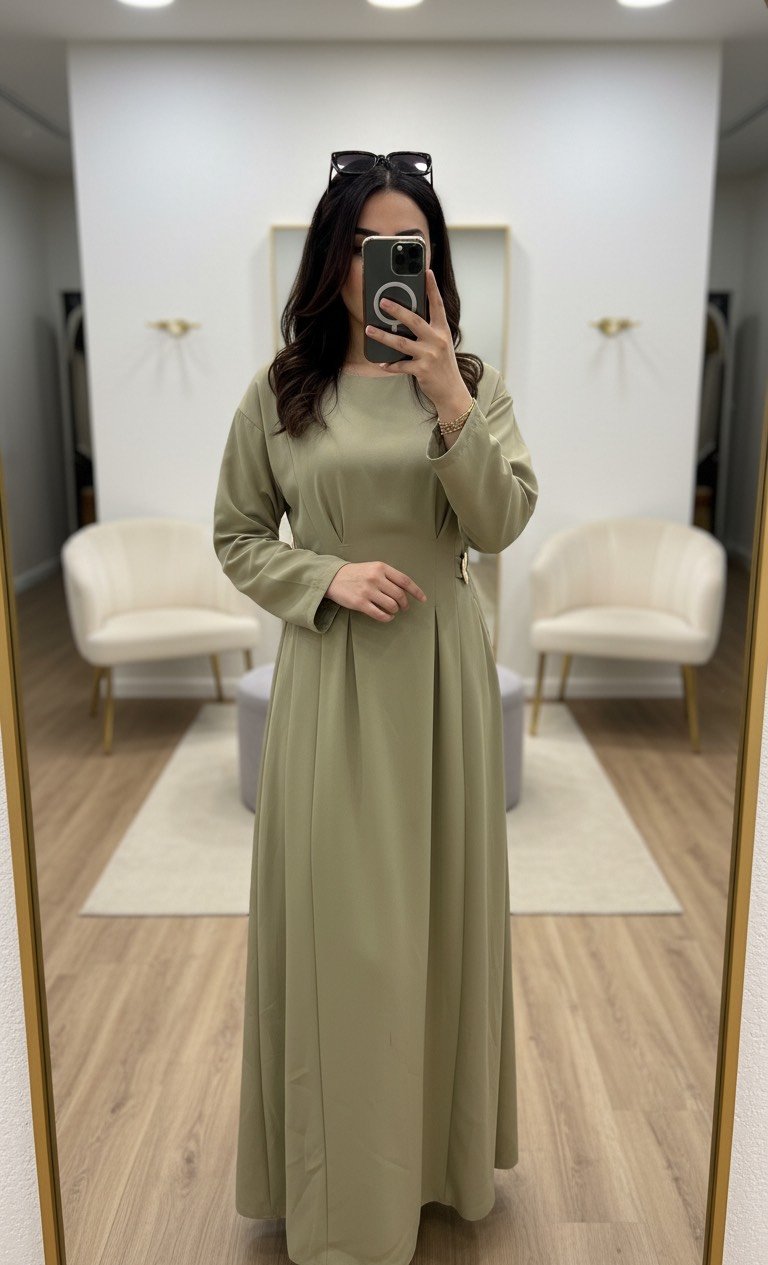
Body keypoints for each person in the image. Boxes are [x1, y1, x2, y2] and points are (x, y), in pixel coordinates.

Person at [212, 150, 539, 1265]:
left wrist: (447, 396)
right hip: (334, 678)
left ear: (433, 264)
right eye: (362, 245)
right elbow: (237, 535)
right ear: (333, 258)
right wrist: (325, 576)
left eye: (407, 246)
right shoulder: (282, 390)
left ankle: (436, 1166)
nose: (381, 265)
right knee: (345, 937)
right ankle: (337, 1183)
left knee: (438, 927)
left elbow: (499, 524)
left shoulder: (474, 381)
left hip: (441, 684)